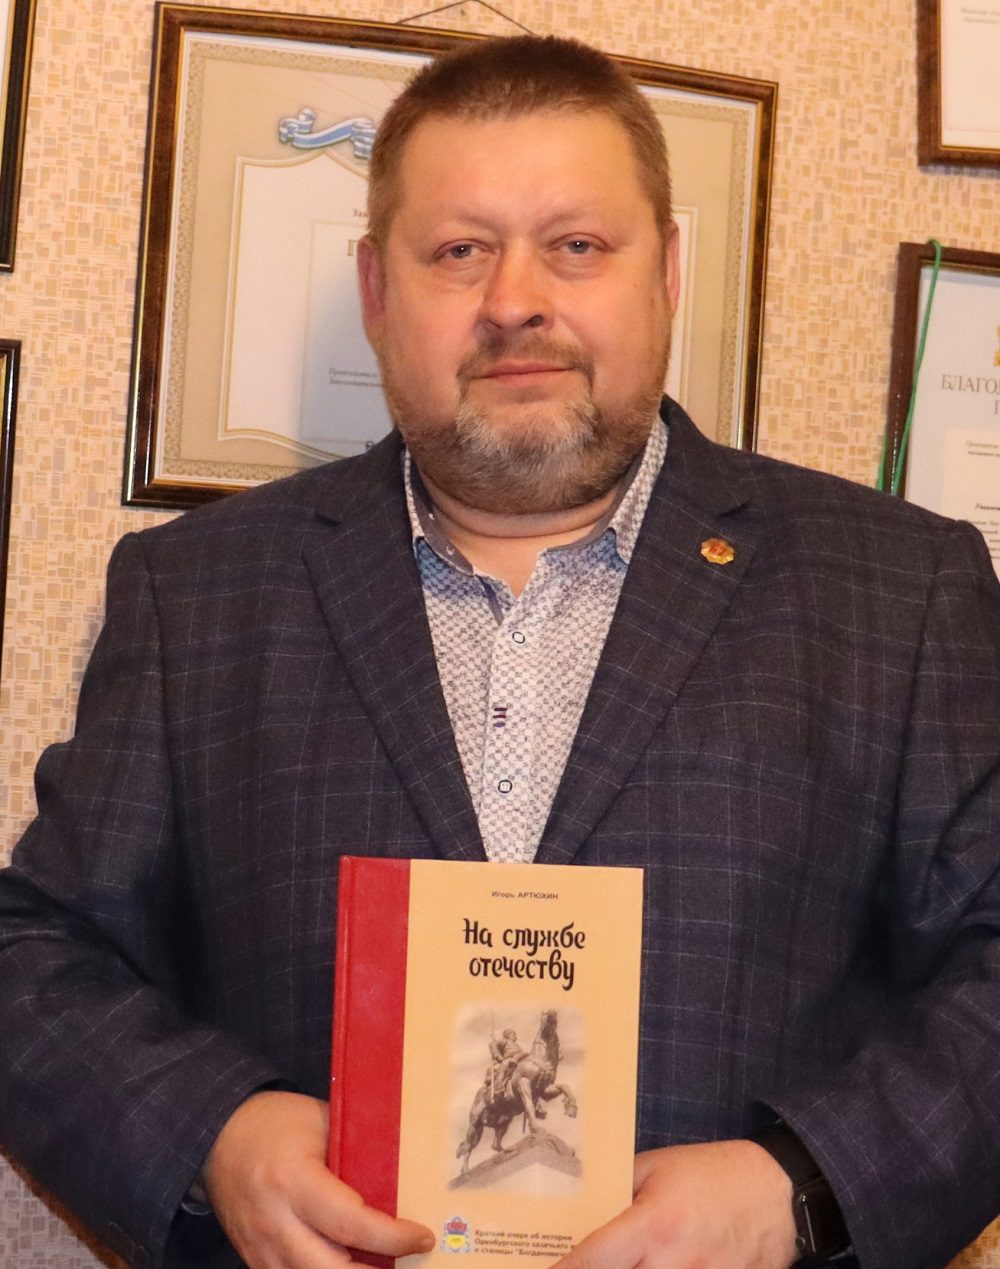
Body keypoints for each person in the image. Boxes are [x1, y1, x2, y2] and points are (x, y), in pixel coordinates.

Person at [1, 31, 999, 1269]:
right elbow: (33, 955)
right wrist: (213, 1136)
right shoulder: (198, 596)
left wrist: (799, 1190)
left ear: (664, 273)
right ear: (376, 291)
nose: (515, 300)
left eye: (575, 245)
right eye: (459, 251)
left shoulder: (897, 589)